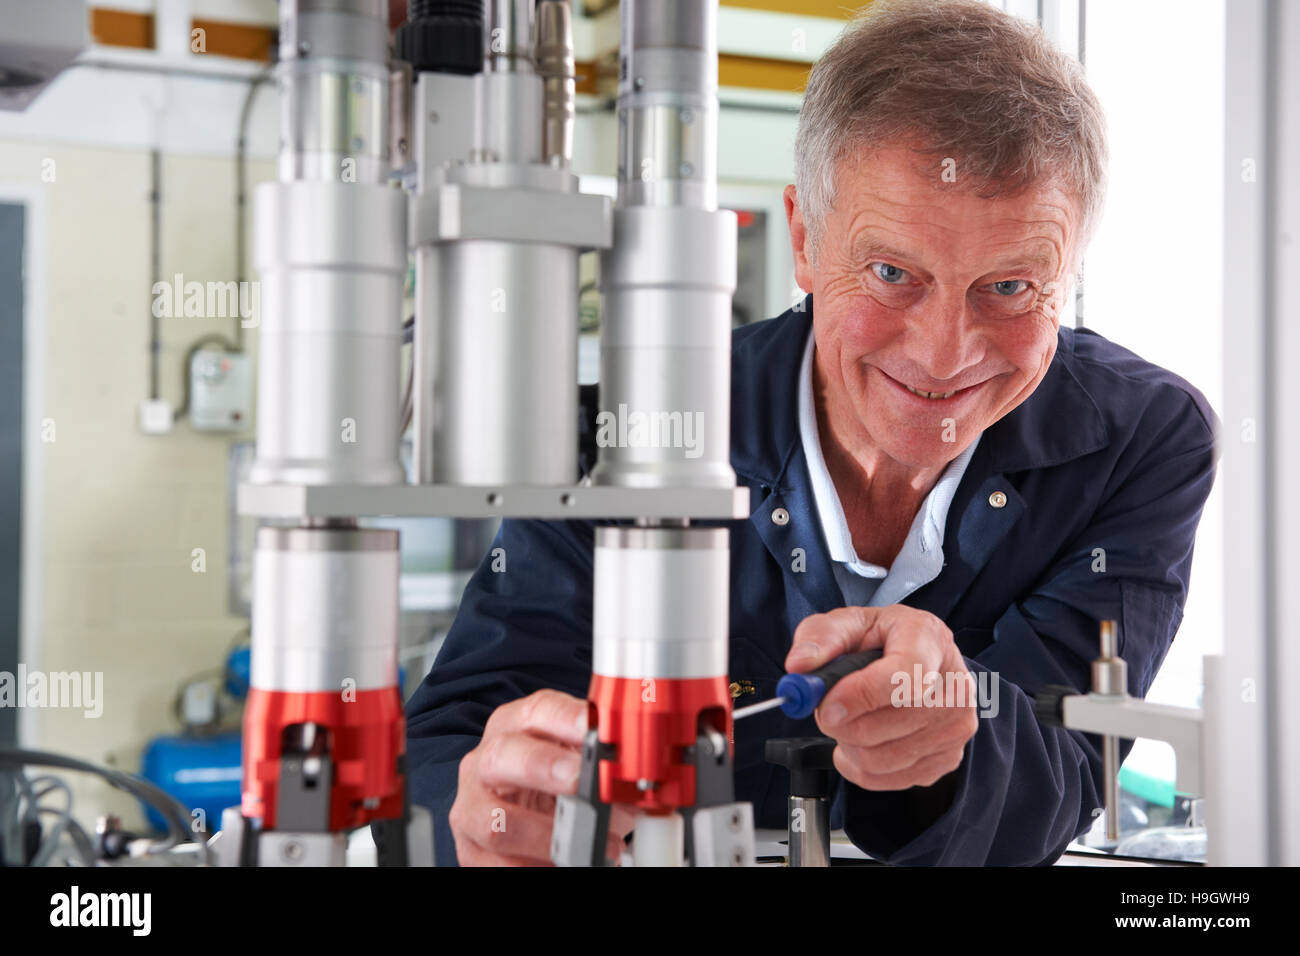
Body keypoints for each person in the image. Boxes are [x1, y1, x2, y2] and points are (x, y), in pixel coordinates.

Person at [404, 0, 1220, 866]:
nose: (945, 353)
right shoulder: (632, 430)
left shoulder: (1142, 440)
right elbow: (452, 737)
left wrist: (947, 749)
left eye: (1010, 287)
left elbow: (1063, 765)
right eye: (891, 272)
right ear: (802, 236)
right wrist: (487, 806)